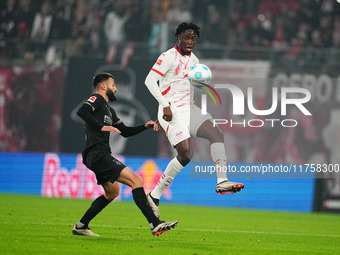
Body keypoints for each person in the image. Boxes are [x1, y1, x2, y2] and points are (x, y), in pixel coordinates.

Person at [144, 22, 244, 218]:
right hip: (171, 111)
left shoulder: (195, 60)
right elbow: (149, 80)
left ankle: (222, 181)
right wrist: (164, 105)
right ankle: (154, 196)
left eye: (193, 39)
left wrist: (201, 84)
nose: (190, 41)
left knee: (216, 134)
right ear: (179, 37)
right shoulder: (168, 57)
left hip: (189, 109)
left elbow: (189, 87)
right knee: (186, 156)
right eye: (186, 37)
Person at [72, 72, 177, 236]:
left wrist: (145, 126)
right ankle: (154, 223)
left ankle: (81, 225)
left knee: (112, 192)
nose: (116, 89)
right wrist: (101, 126)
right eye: (113, 85)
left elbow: (125, 132)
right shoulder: (96, 99)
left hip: (97, 155)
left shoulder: (110, 110)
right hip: (97, 153)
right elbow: (82, 111)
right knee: (136, 180)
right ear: (103, 86)